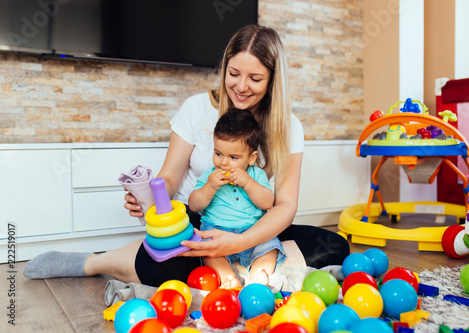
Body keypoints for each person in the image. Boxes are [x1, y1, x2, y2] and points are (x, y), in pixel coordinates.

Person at [23, 24, 350, 287]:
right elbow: (171, 176)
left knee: (335, 247)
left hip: (254, 226)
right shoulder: (196, 109)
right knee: (163, 270)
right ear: (224, 67)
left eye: (255, 78)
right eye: (234, 73)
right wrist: (149, 197)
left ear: (273, 80)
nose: (241, 86)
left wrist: (238, 242)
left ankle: (230, 265)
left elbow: (285, 206)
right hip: (199, 221)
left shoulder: (287, 126)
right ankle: (95, 261)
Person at [189, 108, 284, 288]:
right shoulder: (209, 176)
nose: (223, 162)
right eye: (218, 154)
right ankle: (227, 277)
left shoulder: (256, 175)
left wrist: (248, 183)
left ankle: (258, 275)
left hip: (252, 232)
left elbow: (267, 202)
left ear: (251, 158)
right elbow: (194, 205)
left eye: (233, 157)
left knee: (270, 246)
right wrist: (209, 187)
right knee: (208, 250)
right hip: (217, 229)